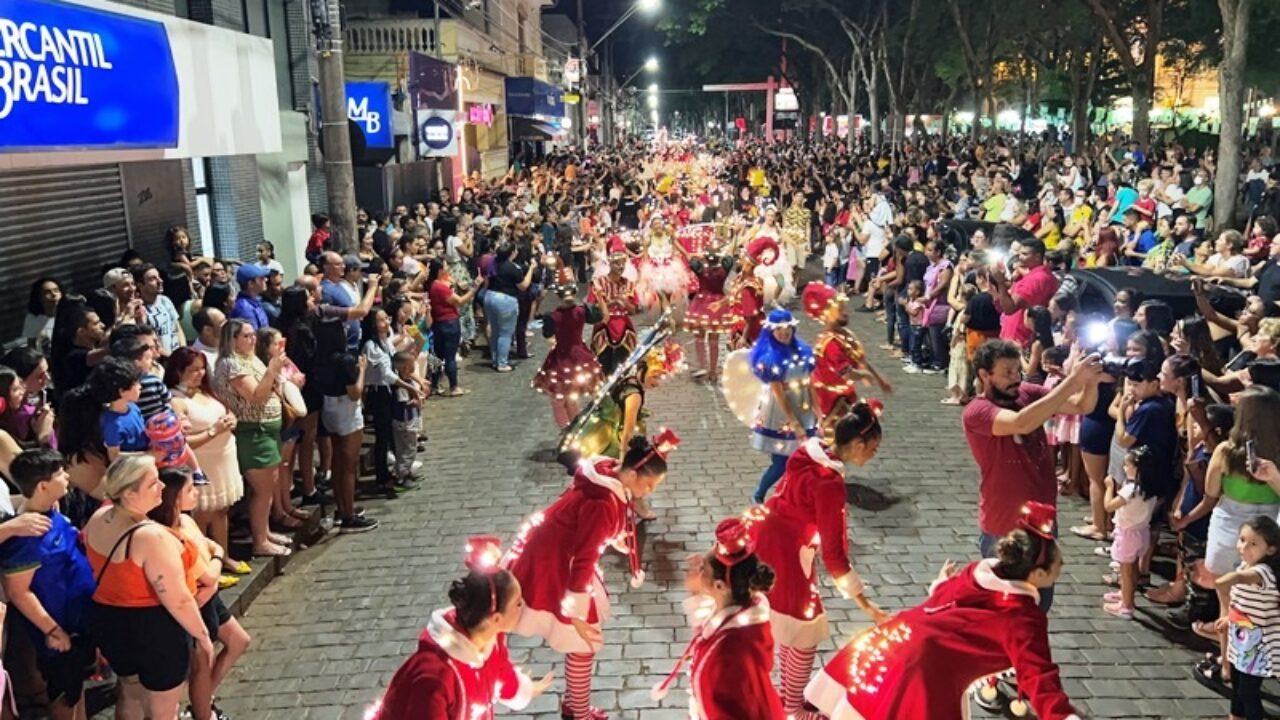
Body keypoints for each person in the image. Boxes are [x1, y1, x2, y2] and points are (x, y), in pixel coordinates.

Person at [804, 503, 1083, 720]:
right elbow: (1038, 675)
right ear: (1036, 573)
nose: (1062, 567)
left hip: (894, 642)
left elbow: (947, 598)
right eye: (1057, 566)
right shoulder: (1023, 618)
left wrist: (941, 584)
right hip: (924, 674)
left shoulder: (978, 573)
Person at [504, 434, 675, 720]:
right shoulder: (604, 501)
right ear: (632, 473)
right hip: (560, 563)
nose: (648, 491)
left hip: (556, 554)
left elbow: (588, 528)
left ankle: (575, 705)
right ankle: (578, 712)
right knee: (583, 643)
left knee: (582, 642)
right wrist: (577, 614)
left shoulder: (606, 477)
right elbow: (585, 556)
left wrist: (613, 537)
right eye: (648, 484)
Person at [748, 403, 887, 718]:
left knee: (788, 624)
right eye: (873, 449)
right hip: (788, 553)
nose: (873, 456)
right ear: (857, 445)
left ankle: (788, 699)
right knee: (803, 629)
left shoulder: (806, 454)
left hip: (768, 537)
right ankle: (793, 709)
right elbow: (835, 554)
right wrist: (867, 606)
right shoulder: (829, 483)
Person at [962, 340, 1103, 610]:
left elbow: (1082, 406)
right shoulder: (976, 411)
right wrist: (1074, 379)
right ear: (984, 375)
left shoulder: (1027, 392)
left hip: (1042, 521)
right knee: (1006, 608)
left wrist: (1091, 381)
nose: (1016, 378)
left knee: (1040, 603)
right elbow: (1022, 422)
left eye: (1018, 370)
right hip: (1004, 524)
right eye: (1007, 373)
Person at [83, 455, 214, 720]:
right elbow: (177, 599)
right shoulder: (151, 537)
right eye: (153, 483)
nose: (163, 487)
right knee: (164, 708)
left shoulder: (98, 519)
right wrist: (202, 636)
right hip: (154, 629)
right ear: (130, 494)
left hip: (111, 619)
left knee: (130, 693)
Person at [374, 536, 553, 719]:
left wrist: (524, 689)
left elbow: (502, 673)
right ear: (496, 618)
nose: (522, 606)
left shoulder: (491, 641)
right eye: (517, 603)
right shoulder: (435, 676)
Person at [651, 517, 785, 719]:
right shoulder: (743, 610)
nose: (698, 570)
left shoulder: (728, 650)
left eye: (703, 568)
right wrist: (696, 591)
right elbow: (708, 625)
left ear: (720, 586)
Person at [1, 449, 97, 720]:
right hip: (59, 631)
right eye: (60, 473)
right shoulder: (26, 536)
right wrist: (53, 630)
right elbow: (18, 592)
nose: (67, 477)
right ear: (43, 486)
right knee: (63, 694)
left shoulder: (51, 514)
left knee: (76, 689)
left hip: (79, 622)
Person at [165, 348, 247, 582]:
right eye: (192, 370)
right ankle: (203, 565)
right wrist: (214, 431)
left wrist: (231, 420)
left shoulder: (206, 392)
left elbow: (225, 413)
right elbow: (181, 441)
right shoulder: (175, 400)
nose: (199, 374)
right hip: (203, 461)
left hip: (225, 457)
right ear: (178, 371)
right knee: (202, 515)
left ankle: (224, 556)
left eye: (202, 369)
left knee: (222, 510)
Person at [212, 318, 291, 557]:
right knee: (262, 487)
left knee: (270, 483)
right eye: (246, 336)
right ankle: (259, 541)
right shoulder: (231, 364)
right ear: (233, 339)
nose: (252, 339)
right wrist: (273, 369)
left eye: (253, 335)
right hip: (253, 430)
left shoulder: (250, 358)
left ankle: (264, 532)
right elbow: (255, 395)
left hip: (268, 428)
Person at [745, 309, 818, 504]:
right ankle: (759, 493)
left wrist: (818, 411)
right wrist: (794, 423)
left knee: (803, 458)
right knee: (781, 463)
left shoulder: (803, 351)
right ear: (771, 331)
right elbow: (778, 394)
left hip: (802, 407)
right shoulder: (770, 359)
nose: (784, 332)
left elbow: (810, 383)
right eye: (779, 329)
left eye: (787, 328)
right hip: (781, 413)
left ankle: (791, 494)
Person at [801, 283, 891, 439]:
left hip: (844, 397)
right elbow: (846, 373)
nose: (845, 313)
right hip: (830, 402)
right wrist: (864, 376)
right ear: (827, 314)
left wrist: (878, 378)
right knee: (835, 443)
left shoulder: (844, 334)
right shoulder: (830, 344)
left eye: (844, 308)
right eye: (839, 310)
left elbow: (859, 358)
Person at [1214, 516, 1280, 720]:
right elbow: (1241, 604)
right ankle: (1235, 716)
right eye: (1242, 540)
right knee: (1237, 684)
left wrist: (1229, 580)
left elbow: (1244, 579)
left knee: (1248, 691)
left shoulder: (1263, 572)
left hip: (1259, 644)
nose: (1244, 547)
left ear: (1270, 549)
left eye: (1253, 544)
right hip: (1241, 637)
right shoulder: (1243, 565)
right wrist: (1228, 619)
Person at [533, 284, 606, 428]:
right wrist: (599, 296)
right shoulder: (582, 311)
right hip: (580, 355)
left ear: (558, 297)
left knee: (559, 398)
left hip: (561, 357)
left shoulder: (552, 317)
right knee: (573, 395)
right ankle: (577, 425)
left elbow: (548, 334)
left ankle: (566, 427)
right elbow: (600, 317)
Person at [1103, 446, 1163, 619]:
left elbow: (1109, 505)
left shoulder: (1130, 490)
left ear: (1137, 469)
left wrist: (1109, 487)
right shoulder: (1149, 489)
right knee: (1133, 568)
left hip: (1128, 533)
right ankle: (1125, 594)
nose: (1124, 468)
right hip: (1141, 531)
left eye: (1127, 465)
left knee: (1126, 570)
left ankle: (1126, 606)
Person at [426, 258, 482, 395]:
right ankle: (454, 387)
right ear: (440, 270)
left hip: (438, 323)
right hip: (449, 322)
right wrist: (475, 287)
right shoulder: (440, 287)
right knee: (450, 357)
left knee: (438, 356)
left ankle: (435, 385)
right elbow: (460, 301)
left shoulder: (432, 285)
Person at [991, 239, 1059, 346]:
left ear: (1037, 256)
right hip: (1014, 336)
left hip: (1019, 339)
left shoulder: (1036, 279)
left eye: (1024, 254)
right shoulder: (1034, 276)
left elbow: (1010, 308)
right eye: (1019, 254)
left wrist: (1000, 282)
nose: (1020, 257)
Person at [586, 243, 640, 376]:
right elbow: (593, 308)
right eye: (617, 264)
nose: (621, 267)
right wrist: (612, 302)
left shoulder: (629, 283)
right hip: (604, 325)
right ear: (610, 264)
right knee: (603, 363)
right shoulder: (599, 283)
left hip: (624, 326)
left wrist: (625, 303)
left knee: (624, 364)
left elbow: (633, 310)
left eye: (623, 264)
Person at [685, 248, 736, 382]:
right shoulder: (724, 269)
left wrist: (698, 256)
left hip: (701, 304)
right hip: (717, 304)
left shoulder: (700, 269)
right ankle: (713, 371)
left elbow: (690, 258)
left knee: (699, 338)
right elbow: (730, 256)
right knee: (714, 340)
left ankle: (702, 366)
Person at [485, 242, 535, 372]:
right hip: (505, 300)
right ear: (512, 253)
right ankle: (502, 363)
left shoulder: (492, 263)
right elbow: (523, 286)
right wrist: (530, 270)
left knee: (495, 331)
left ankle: (495, 360)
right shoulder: (512, 267)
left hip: (489, 296)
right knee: (505, 333)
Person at [728, 237, 775, 349]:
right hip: (748, 327)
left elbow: (750, 316)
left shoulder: (748, 287)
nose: (739, 261)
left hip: (746, 332)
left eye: (742, 259)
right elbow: (734, 296)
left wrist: (744, 337)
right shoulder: (742, 279)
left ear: (748, 265)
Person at [133, 264, 185, 356]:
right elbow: (149, 341)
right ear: (140, 285)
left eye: (159, 277)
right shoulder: (139, 310)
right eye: (152, 279)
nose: (160, 281)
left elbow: (177, 328)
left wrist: (183, 350)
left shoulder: (165, 300)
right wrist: (171, 359)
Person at [23, 276, 62, 356]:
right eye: (48, 292)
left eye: (56, 290)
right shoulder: (33, 319)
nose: (54, 294)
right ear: (39, 297)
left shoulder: (69, 313)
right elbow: (31, 346)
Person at [230, 264, 272, 330]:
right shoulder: (244, 309)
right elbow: (253, 337)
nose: (266, 279)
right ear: (251, 284)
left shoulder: (254, 301)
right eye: (261, 278)